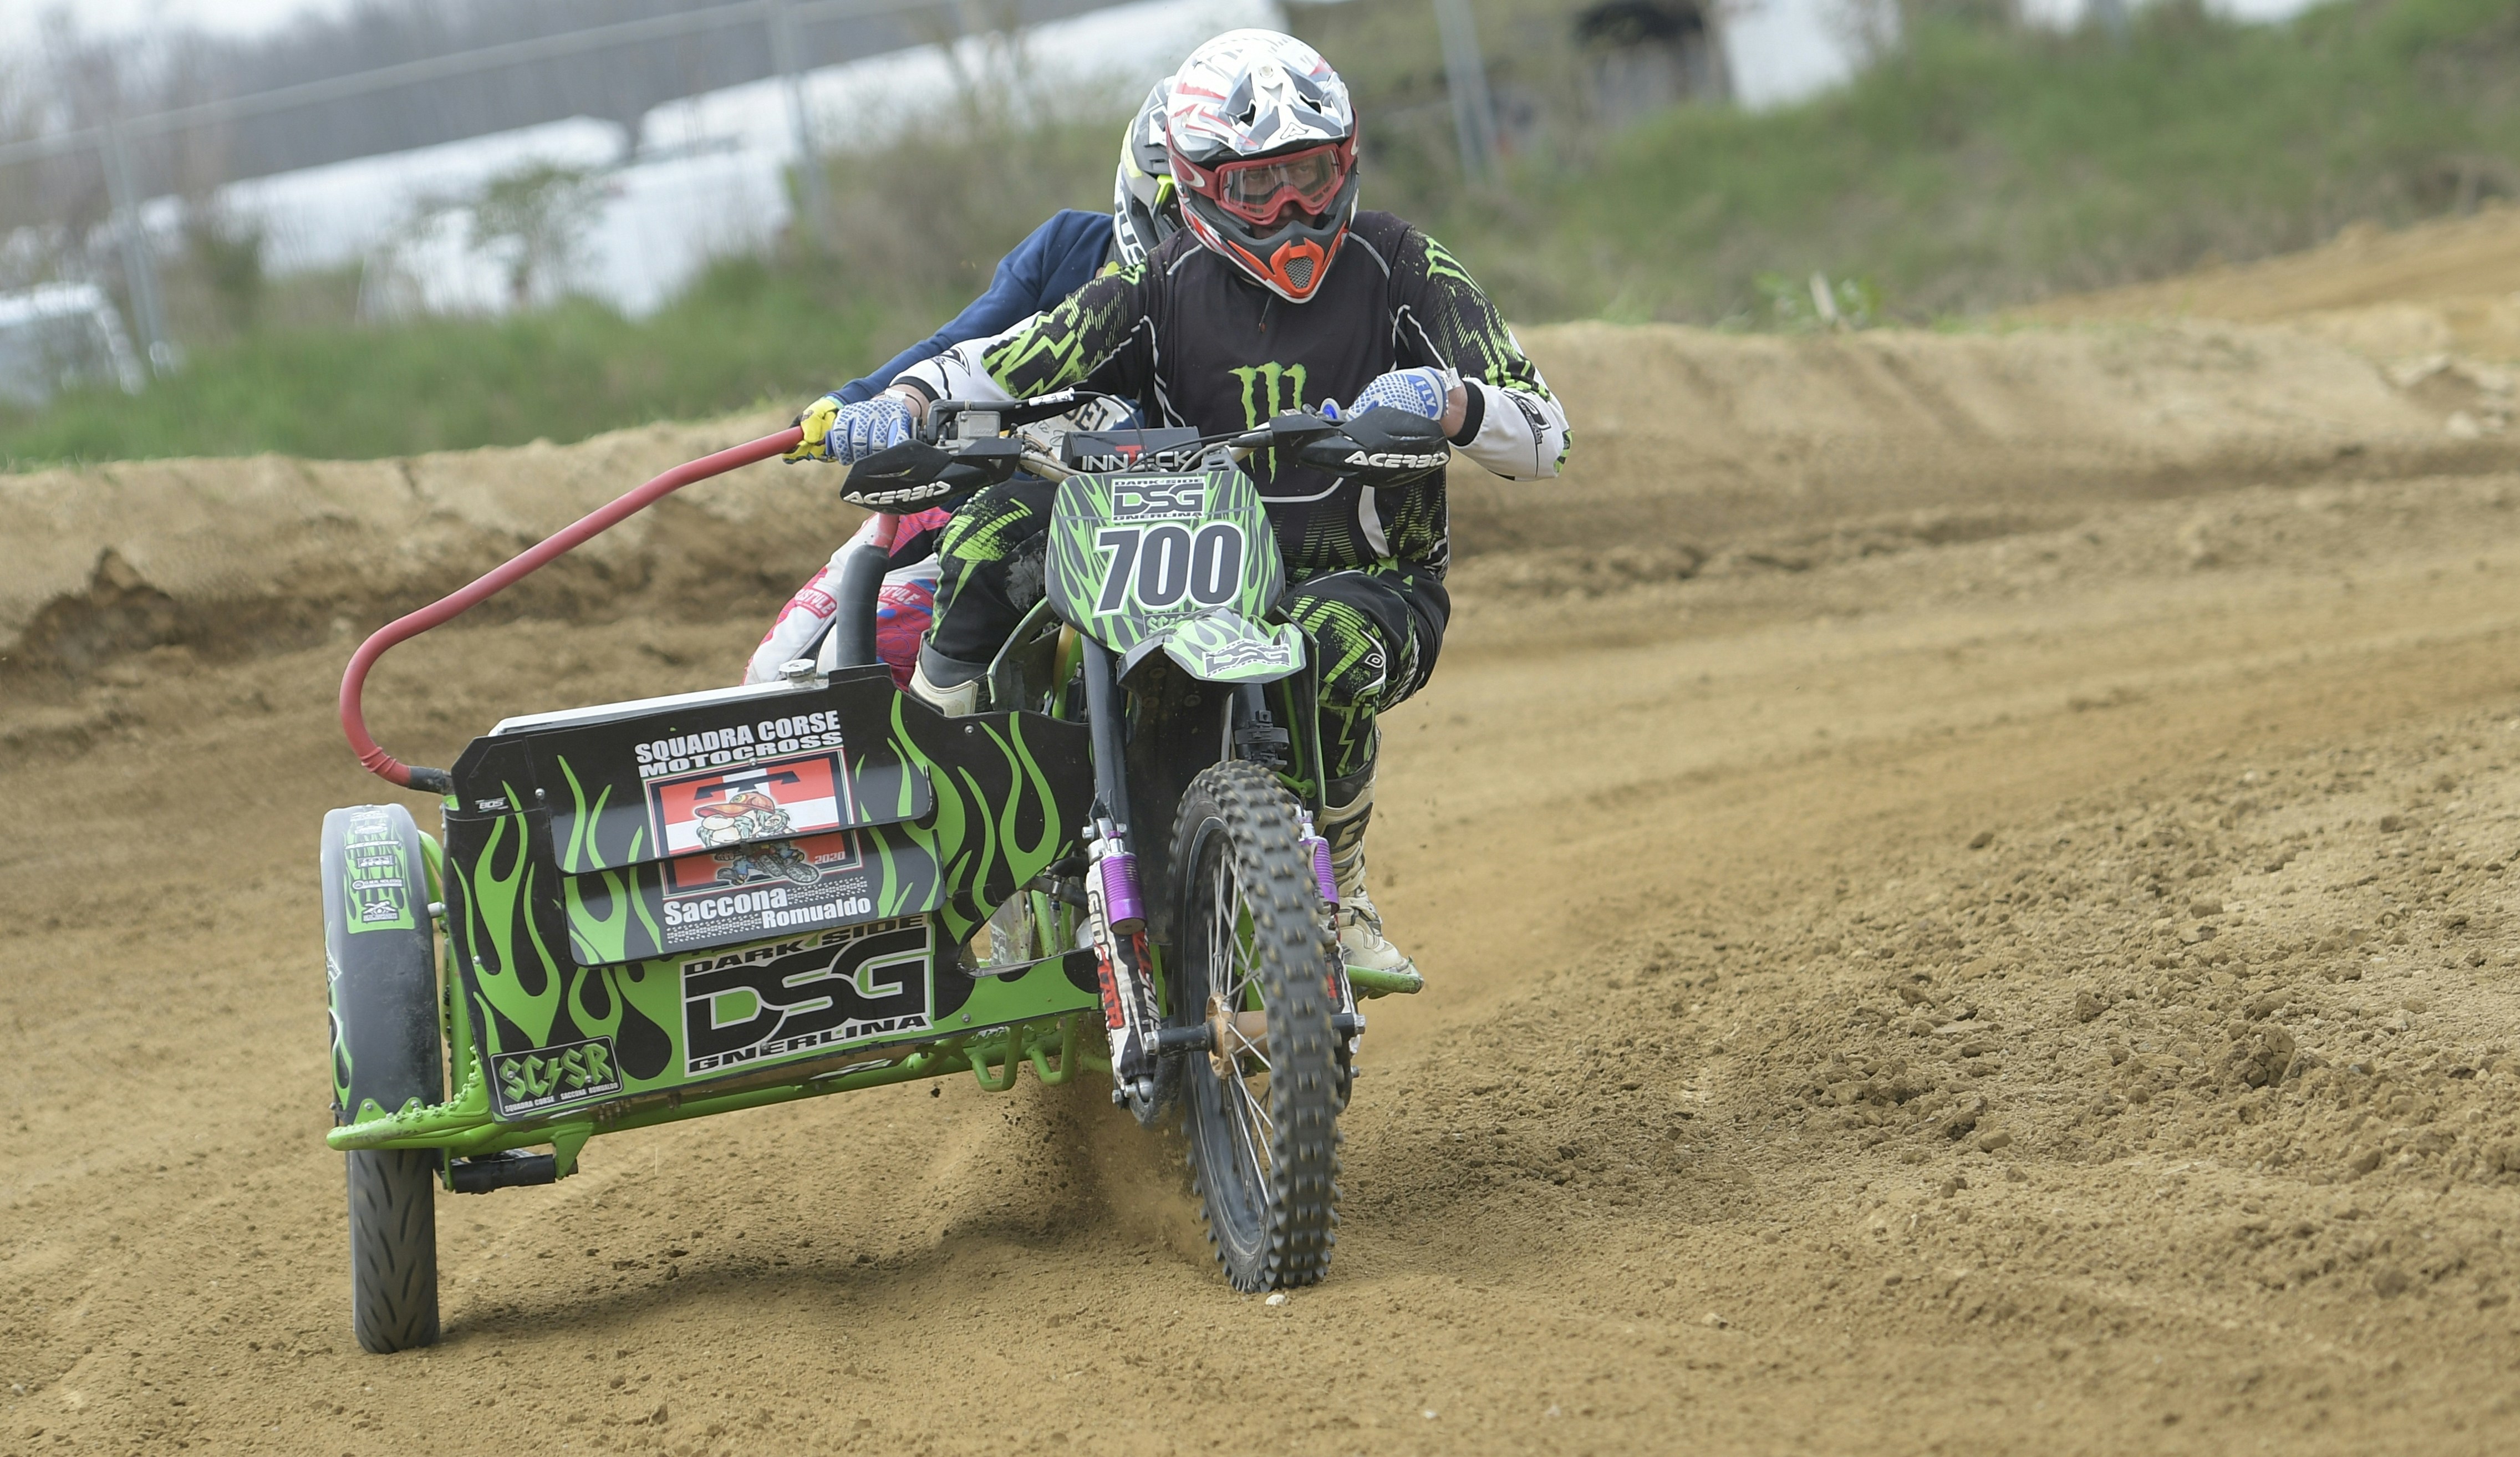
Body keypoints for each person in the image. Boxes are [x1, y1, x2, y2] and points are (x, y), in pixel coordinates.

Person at [795, 29, 1571, 982]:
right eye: (1257, 187)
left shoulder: (1403, 264)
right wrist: (905, 402)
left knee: (1323, 647)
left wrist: (1450, 403)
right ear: (1198, 187)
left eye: (1311, 177)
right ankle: (939, 822)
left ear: (1349, 161)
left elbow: (1547, 432)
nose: (1290, 211)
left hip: (1363, 579)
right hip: (1176, 557)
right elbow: (1005, 356)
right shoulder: (1156, 284)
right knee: (995, 532)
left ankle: (1348, 884)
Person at [747, 78, 1183, 686]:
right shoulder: (1068, 249)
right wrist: (857, 402)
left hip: (1124, 541)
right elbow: (958, 344)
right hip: (964, 501)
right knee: (782, 670)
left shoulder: (1234, 313)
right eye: (1191, 210)